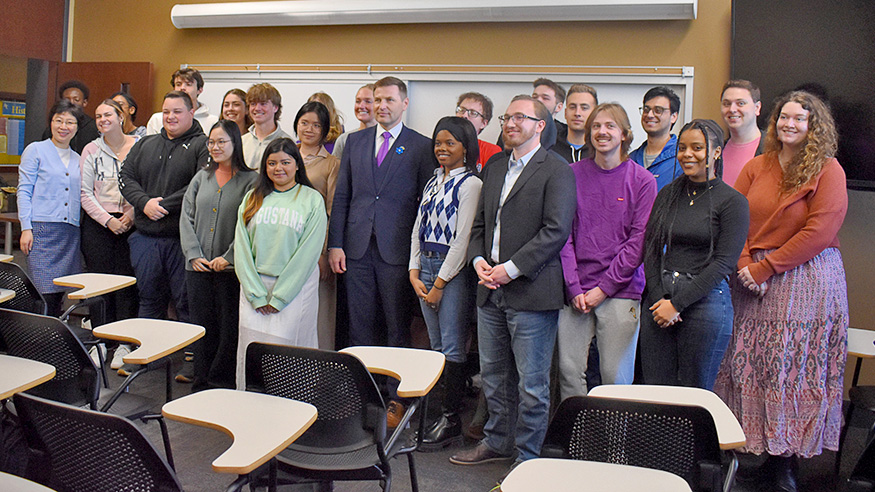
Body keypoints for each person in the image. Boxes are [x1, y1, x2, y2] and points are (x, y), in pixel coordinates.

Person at [714, 91, 849, 492]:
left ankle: (785, 463)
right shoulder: (757, 166)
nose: (789, 124)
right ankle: (757, 453)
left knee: (790, 368)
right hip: (750, 281)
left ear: (815, 126)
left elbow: (820, 231)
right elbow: (733, 215)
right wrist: (743, 265)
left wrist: (767, 267)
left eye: (799, 119)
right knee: (751, 365)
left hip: (804, 279)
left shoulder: (828, 169)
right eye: (783, 117)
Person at [450, 95, 576, 468]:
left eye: (521, 117)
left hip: (531, 290)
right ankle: (497, 441)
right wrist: (477, 260)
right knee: (493, 376)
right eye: (508, 117)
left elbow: (556, 231)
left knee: (532, 385)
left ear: (540, 125)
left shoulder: (557, 169)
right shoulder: (494, 166)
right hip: (489, 288)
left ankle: (528, 458)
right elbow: (479, 223)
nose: (511, 123)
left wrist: (512, 267)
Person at [327, 76, 433, 426]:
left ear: (404, 104)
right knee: (359, 327)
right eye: (376, 100)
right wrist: (336, 244)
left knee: (395, 327)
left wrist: (417, 257)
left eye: (389, 99)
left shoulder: (421, 146)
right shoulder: (354, 142)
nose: (381, 106)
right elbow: (342, 195)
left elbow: (425, 205)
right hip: (355, 248)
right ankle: (362, 394)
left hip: (396, 250)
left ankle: (394, 398)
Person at [556, 103, 657, 400]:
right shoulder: (570, 175)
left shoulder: (642, 181)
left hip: (621, 291)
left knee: (615, 378)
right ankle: (576, 441)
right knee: (569, 371)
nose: (603, 132)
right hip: (574, 291)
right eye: (597, 126)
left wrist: (603, 289)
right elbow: (563, 235)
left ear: (624, 135)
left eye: (610, 126)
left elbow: (638, 242)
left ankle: (614, 445)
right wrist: (574, 286)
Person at [640, 119, 748, 390]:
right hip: (659, 303)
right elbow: (651, 249)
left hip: (706, 303)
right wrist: (660, 301)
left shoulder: (733, 202)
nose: (687, 154)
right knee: (656, 393)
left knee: (694, 395)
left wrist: (677, 305)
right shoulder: (667, 194)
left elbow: (724, 263)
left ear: (715, 152)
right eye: (683, 148)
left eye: (697, 148)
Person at [120, 90, 209, 381]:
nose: (171, 117)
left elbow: (199, 186)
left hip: (181, 240)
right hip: (145, 238)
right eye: (167, 111)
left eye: (178, 112)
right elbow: (126, 177)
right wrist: (144, 203)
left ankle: (192, 362)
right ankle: (145, 355)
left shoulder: (202, 145)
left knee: (186, 303)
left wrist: (162, 206)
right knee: (148, 300)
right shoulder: (146, 143)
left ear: (191, 112)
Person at [409, 116, 482, 449]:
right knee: (435, 347)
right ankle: (436, 415)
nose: (441, 148)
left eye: (450, 143)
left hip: (451, 274)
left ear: (465, 147)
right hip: (425, 267)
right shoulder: (432, 181)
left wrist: (439, 283)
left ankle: (450, 420)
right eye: (438, 142)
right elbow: (417, 228)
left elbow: (463, 240)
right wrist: (414, 271)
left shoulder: (471, 184)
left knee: (451, 346)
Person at [233, 138, 327, 389]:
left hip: (294, 291)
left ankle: (293, 414)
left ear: (297, 165)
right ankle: (250, 407)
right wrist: (256, 294)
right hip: (255, 290)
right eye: (272, 163)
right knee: (252, 353)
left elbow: (308, 252)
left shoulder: (311, 199)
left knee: (289, 356)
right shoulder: (253, 197)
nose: (278, 168)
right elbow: (241, 248)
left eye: (285, 162)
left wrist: (280, 297)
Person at [180, 120, 257, 391]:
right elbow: (186, 217)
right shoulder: (201, 177)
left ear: (235, 143)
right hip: (198, 268)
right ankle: (201, 380)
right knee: (201, 326)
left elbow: (250, 224)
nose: (215, 147)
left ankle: (221, 382)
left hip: (229, 270)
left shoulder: (252, 180)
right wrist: (193, 254)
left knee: (228, 328)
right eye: (211, 142)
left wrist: (229, 256)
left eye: (221, 141)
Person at [79, 98, 141, 371]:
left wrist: (130, 215)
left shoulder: (139, 147)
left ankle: (124, 342)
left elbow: (145, 185)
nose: (103, 120)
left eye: (108, 115)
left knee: (127, 285)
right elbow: (85, 193)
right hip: (99, 225)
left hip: (132, 222)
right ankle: (101, 341)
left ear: (121, 117)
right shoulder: (91, 149)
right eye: (98, 116)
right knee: (99, 285)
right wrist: (108, 221)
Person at [18, 100, 83, 316]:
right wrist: (26, 228)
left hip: (69, 232)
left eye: (70, 122)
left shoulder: (78, 158)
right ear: (51, 123)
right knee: (42, 291)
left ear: (76, 127)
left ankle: (57, 338)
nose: (64, 126)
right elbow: (24, 191)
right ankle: (39, 342)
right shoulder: (36, 150)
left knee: (60, 293)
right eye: (59, 121)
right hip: (41, 230)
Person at [294, 101, 340, 350]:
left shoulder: (332, 163)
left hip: (315, 248)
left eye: (316, 125)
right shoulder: (285, 155)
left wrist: (324, 252)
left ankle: (320, 371)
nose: (309, 129)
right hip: (286, 246)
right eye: (304, 123)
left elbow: (332, 212)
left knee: (320, 314)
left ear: (325, 130)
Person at [629, 86, 683, 190]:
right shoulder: (631, 159)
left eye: (658, 110)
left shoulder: (681, 158)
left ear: (674, 116)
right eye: (646, 109)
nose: (649, 115)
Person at [146, 68, 218, 135]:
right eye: (178, 84)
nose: (182, 88)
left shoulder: (213, 121)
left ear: (200, 90)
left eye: (188, 84)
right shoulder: (157, 119)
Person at [720, 80, 764, 186]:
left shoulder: (774, 150)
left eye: (740, 103)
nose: (732, 109)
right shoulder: (716, 150)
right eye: (727, 104)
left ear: (757, 108)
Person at [41, 80, 100, 154]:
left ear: (84, 102)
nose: (72, 103)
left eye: (76, 100)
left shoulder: (93, 127)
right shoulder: (53, 129)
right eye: (67, 100)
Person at [242, 83, 290, 169]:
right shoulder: (241, 142)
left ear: (275, 108)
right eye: (253, 104)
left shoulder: (287, 142)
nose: (257, 108)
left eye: (263, 103)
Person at [454, 92, 502, 172]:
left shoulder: (492, 151)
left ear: (483, 123)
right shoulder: (441, 147)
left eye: (473, 113)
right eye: (461, 110)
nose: (464, 115)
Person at [553, 84, 597, 164]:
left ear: (595, 114)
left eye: (584, 108)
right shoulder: (551, 148)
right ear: (565, 113)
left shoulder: (600, 149)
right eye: (572, 107)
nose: (577, 113)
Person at [332, 83, 376, 161]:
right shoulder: (344, 139)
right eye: (358, 101)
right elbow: (336, 171)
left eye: (368, 101)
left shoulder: (385, 140)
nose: (361, 106)